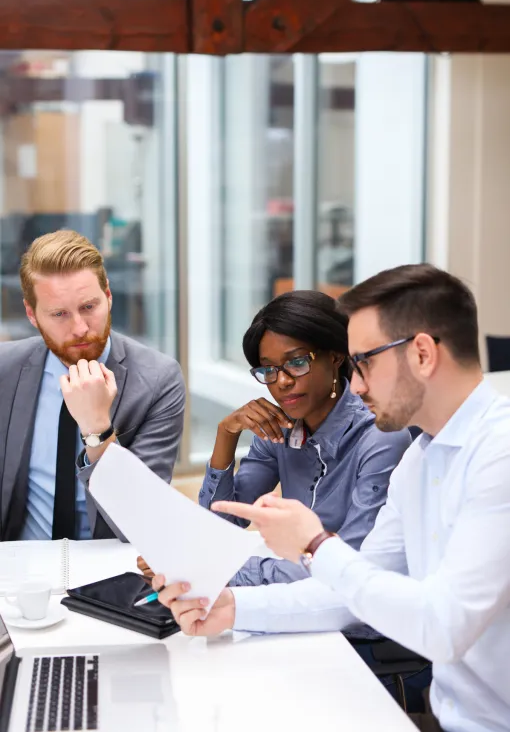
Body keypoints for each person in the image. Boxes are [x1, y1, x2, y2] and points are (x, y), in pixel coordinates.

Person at [155, 265, 510, 732]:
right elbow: (353, 592)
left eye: (364, 362)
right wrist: (230, 608)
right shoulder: (419, 462)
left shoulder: (499, 454)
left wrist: (315, 546)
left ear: (422, 353)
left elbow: (443, 627)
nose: (357, 385)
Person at [199, 289, 411, 586]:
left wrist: (211, 569)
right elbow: (220, 528)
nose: (282, 381)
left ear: (336, 356)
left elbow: (349, 564)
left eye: (297, 362)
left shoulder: (380, 437)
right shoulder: (279, 428)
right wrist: (226, 434)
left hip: (358, 619)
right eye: (269, 369)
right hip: (295, 601)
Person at [0, 229, 185, 541]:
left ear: (108, 296)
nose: (80, 328)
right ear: (32, 314)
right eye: (59, 314)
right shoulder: (6, 368)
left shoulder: (158, 379)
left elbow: (142, 521)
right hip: (19, 564)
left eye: (89, 307)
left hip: (110, 565)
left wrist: (96, 428)